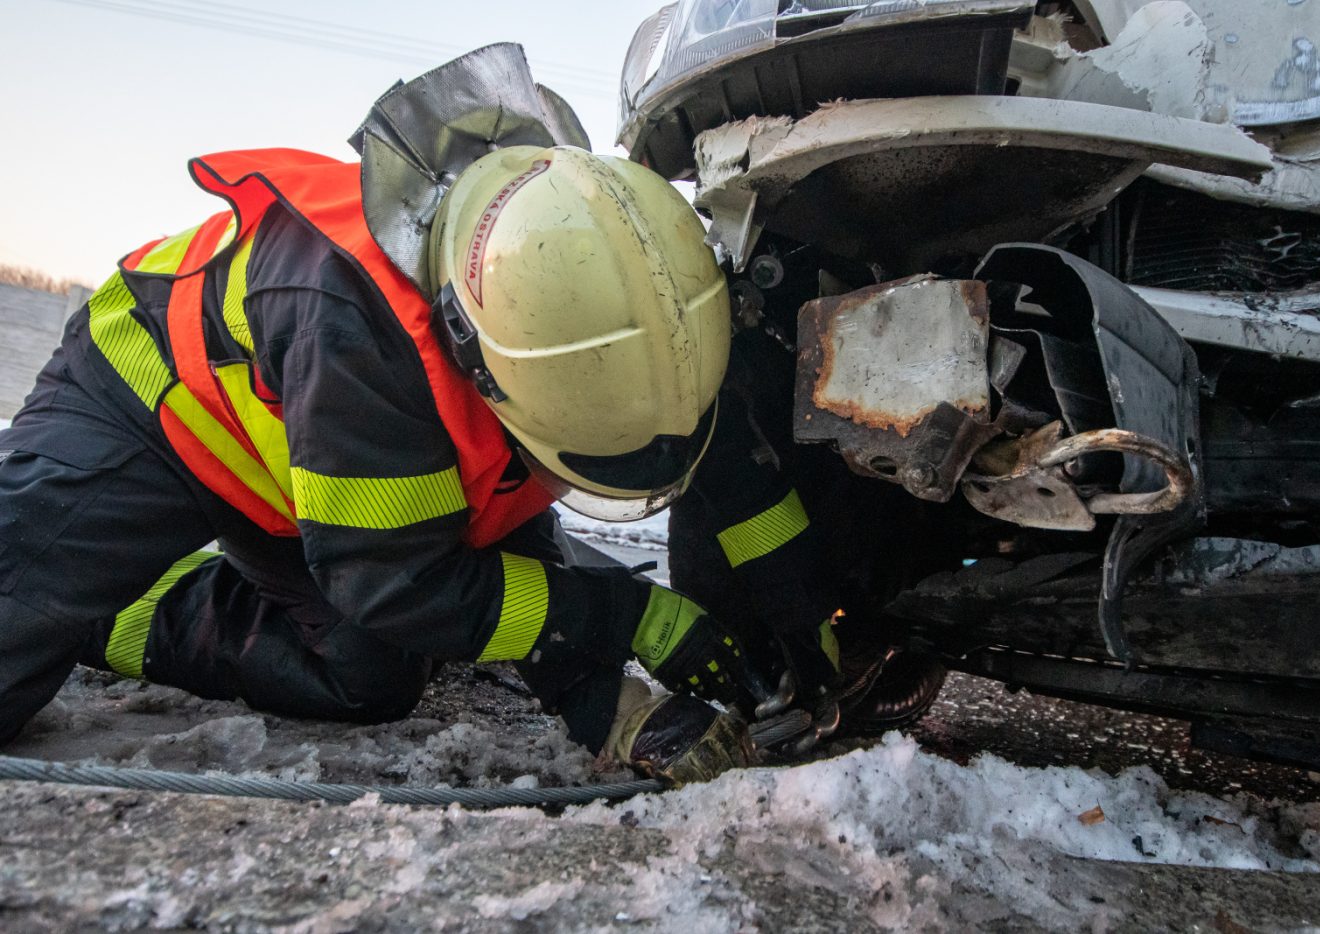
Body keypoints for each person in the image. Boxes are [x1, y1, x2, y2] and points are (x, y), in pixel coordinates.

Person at [0, 45, 838, 782]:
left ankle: (147, 599)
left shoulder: (633, 299)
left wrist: (800, 613)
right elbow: (402, 578)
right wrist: (632, 620)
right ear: (484, 364)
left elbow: (721, 459)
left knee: (370, 674)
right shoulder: (359, 331)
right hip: (154, 399)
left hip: (333, 474)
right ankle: (108, 604)